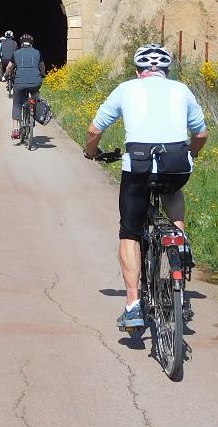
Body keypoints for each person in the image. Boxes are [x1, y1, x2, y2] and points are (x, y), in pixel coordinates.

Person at [83, 43, 207, 331]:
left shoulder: (126, 89)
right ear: (166, 71)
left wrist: (92, 152)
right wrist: (194, 152)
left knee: (130, 231)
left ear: (138, 71)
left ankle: (133, 305)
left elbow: (93, 130)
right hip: (176, 164)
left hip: (137, 167)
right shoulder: (181, 90)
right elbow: (201, 133)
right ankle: (180, 239)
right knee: (173, 189)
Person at [8, 33, 45, 140]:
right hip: (36, 82)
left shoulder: (16, 53)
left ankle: (15, 129)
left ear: (21, 43)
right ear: (31, 43)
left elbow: (10, 66)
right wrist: (42, 73)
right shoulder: (37, 52)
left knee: (17, 103)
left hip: (20, 83)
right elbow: (42, 66)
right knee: (35, 96)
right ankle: (35, 111)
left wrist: (6, 74)